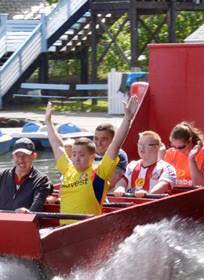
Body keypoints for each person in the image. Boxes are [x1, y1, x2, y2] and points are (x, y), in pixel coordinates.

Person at [44, 95, 138, 223]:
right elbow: (57, 145)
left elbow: (115, 145)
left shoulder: (99, 173)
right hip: (64, 230)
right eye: (74, 154)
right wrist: (48, 122)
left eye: (82, 155)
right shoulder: (67, 169)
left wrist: (127, 118)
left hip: (87, 228)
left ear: (92, 157)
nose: (77, 159)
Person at [0, 137, 52, 213]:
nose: (21, 159)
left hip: (27, 224)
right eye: (18, 155)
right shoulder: (1, 175)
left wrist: (28, 212)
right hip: (1, 222)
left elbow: (36, 207)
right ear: (13, 156)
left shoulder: (42, 180)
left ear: (34, 156)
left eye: (25, 155)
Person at [114, 131, 177, 197]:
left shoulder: (167, 168)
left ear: (157, 147)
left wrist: (148, 194)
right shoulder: (131, 166)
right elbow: (122, 181)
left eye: (146, 144)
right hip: (132, 203)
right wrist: (119, 189)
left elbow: (162, 186)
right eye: (140, 144)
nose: (141, 148)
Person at [160, 121, 204, 187]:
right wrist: (160, 158)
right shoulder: (170, 153)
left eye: (181, 147)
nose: (177, 150)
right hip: (173, 194)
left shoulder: (203, 153)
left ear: (190, 141)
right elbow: (157, 180)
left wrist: (191, 159)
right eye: (174, 146)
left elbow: (198, 184)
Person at [93, 122, 128, 187]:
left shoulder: (119, 155)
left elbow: (111, 182)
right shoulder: (88, 152)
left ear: (113, 140)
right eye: (96, 138)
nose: (98, 143)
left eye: (104, 139)